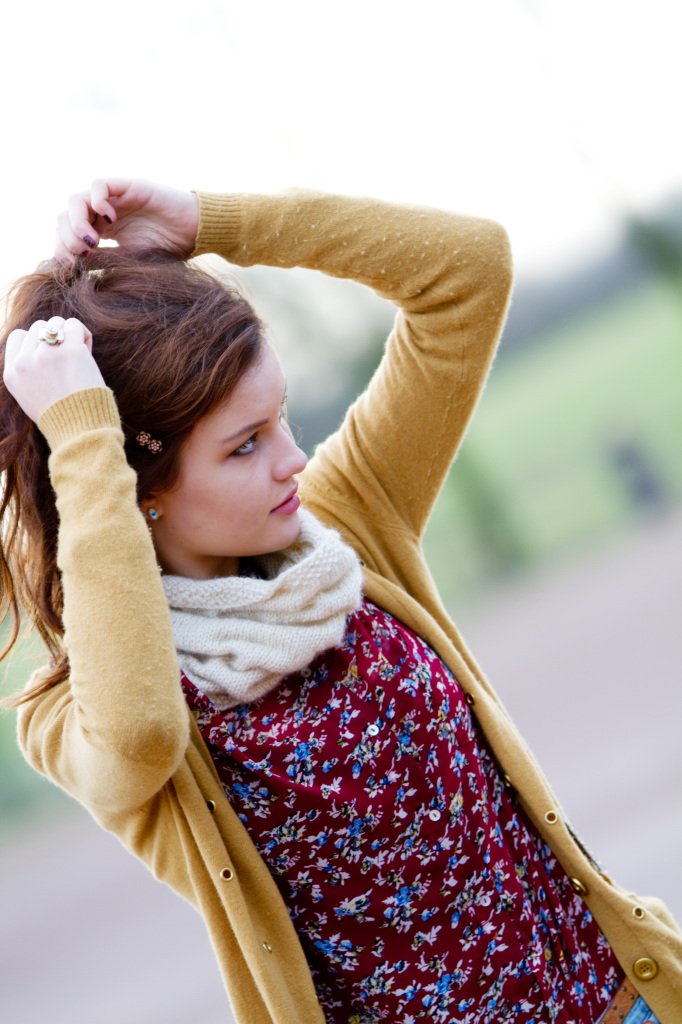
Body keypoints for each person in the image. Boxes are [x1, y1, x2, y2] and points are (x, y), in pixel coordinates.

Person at [1, 179, 680, 1024]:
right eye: (245, 445)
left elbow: (468, 273)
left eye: (279, 417)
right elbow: (142, 733)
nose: (292, 458)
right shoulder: (76, 713)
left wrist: (217, 223)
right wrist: (82, 437)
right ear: (139, 489)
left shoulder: (345, 523)